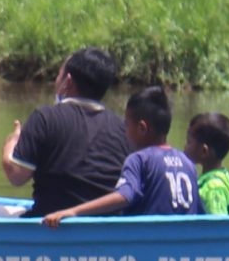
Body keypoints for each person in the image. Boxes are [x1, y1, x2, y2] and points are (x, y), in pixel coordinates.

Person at [0, 46, 129, 218]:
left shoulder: (45, 118)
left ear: (67, 81)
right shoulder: (123, 128)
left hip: (50, 226)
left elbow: (16, 176)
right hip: (103, 231)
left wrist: (11, 144)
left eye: (58, 74)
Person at [43, 86, 199, 225]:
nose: (125, 130)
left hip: (149, 243)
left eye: (127, 125)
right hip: (180, 246)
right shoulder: (188, 163)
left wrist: (73, 211)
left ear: (142, 128)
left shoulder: (139, 160)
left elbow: (124, 196)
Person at [188, 111, 229, 215]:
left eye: (189, 142)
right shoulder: (218, 178)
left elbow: (218, 227)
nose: (185, 146)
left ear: (204, 151)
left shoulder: (214, 188)